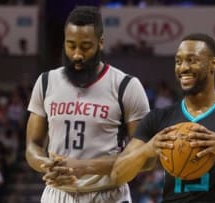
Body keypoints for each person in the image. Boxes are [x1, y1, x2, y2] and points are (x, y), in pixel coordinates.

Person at [111, 33, 215, 203]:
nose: (183, 67)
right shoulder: (158, 118)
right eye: (178, 61)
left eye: (191, 60)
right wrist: (148, 149)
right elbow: (117, 175)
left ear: (213, 64)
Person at [25, 6, 150, 203]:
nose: (76, 54)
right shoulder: (46, 81)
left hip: (108, 194)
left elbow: (147, 160)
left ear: (100, 43)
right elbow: (33, 146)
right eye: (70, 45)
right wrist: (48, 165)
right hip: (57, 194)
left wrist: (84, 167)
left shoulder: (126, 86)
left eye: (85, 46)